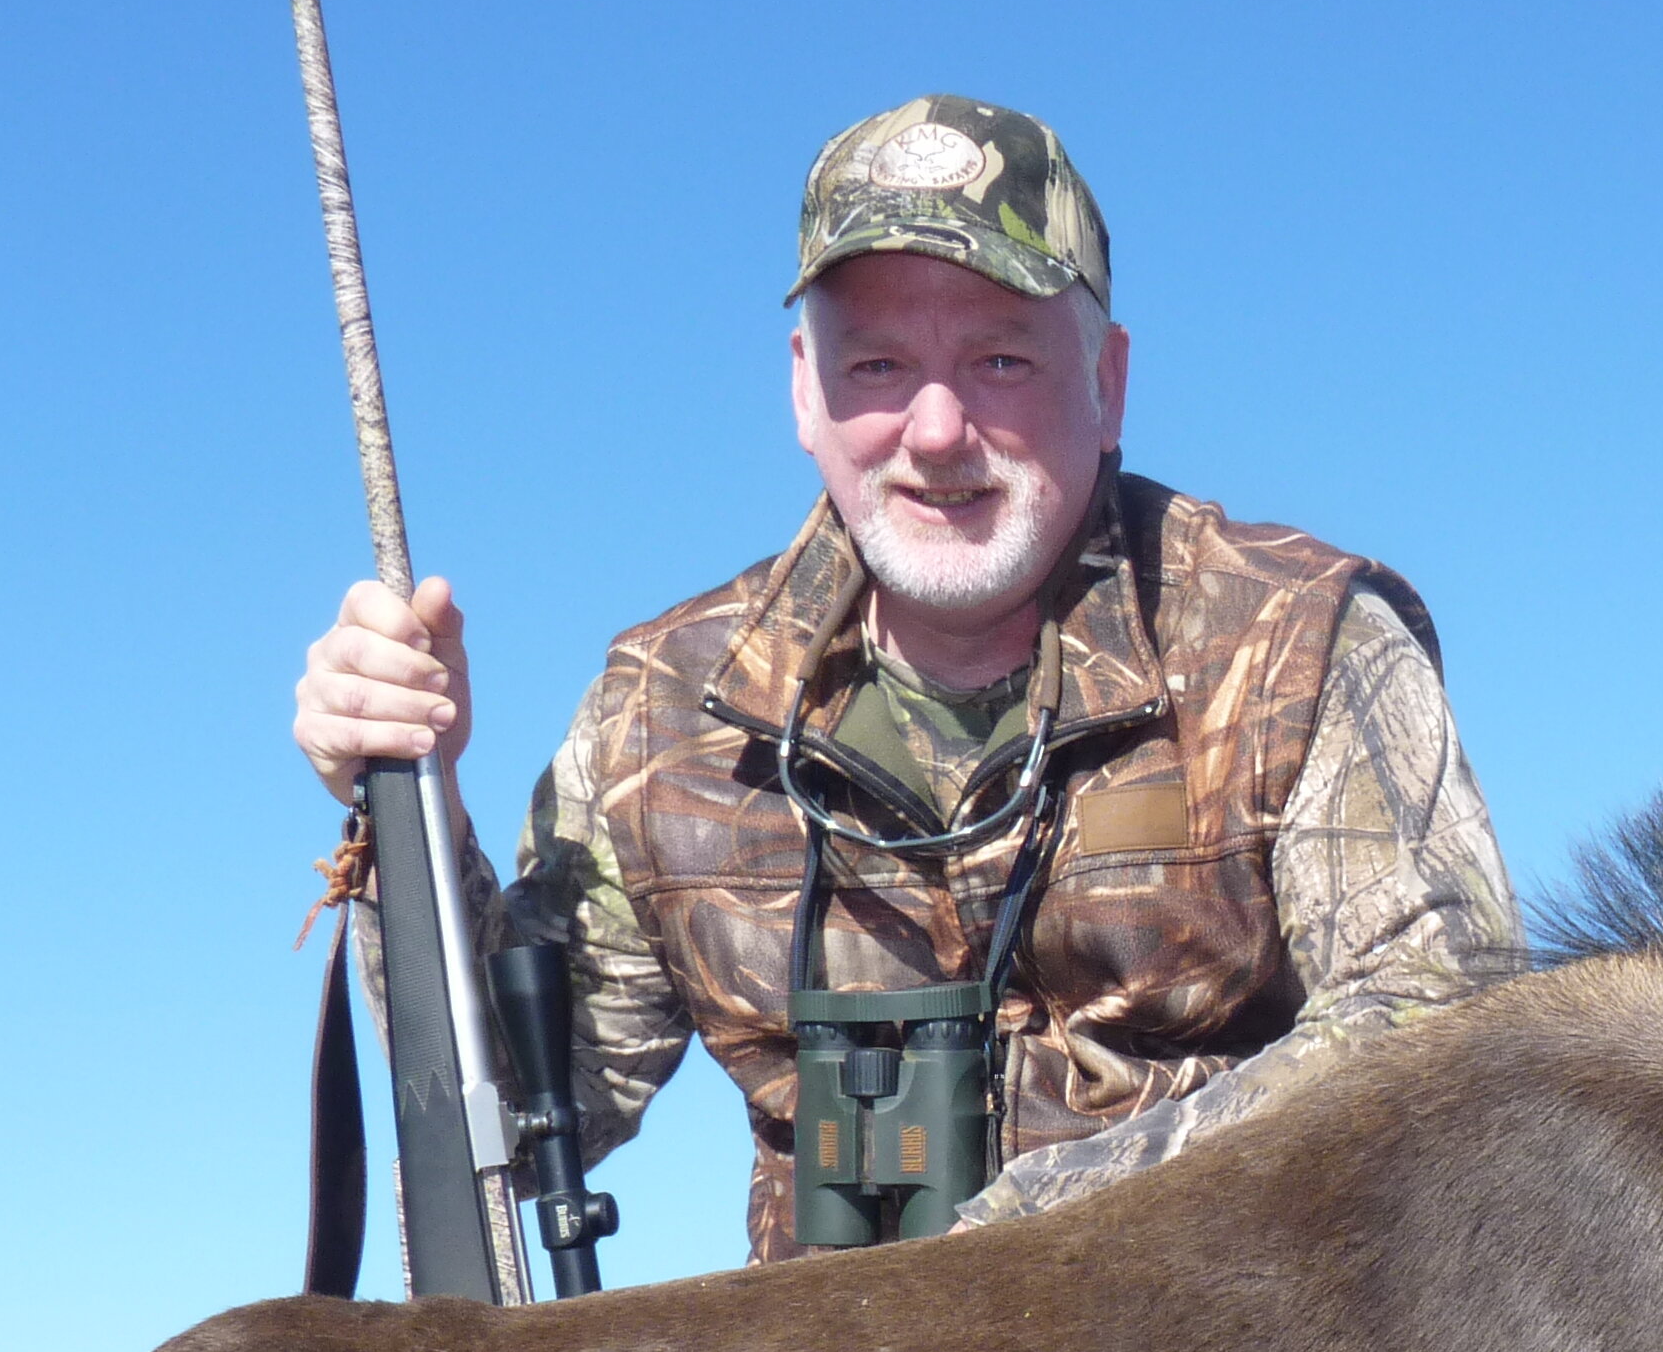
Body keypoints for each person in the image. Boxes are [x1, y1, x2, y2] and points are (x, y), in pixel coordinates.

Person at [291, 95, 1521, 1255]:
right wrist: (408, 809)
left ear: (1107, 383)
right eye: (877, 367)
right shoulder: (659, 704)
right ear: (802, 392)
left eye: (1000, 362)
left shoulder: (1305, 639)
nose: (936, 432)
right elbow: (511, 1119)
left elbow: (1451, 1036)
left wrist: (1035, 1232)